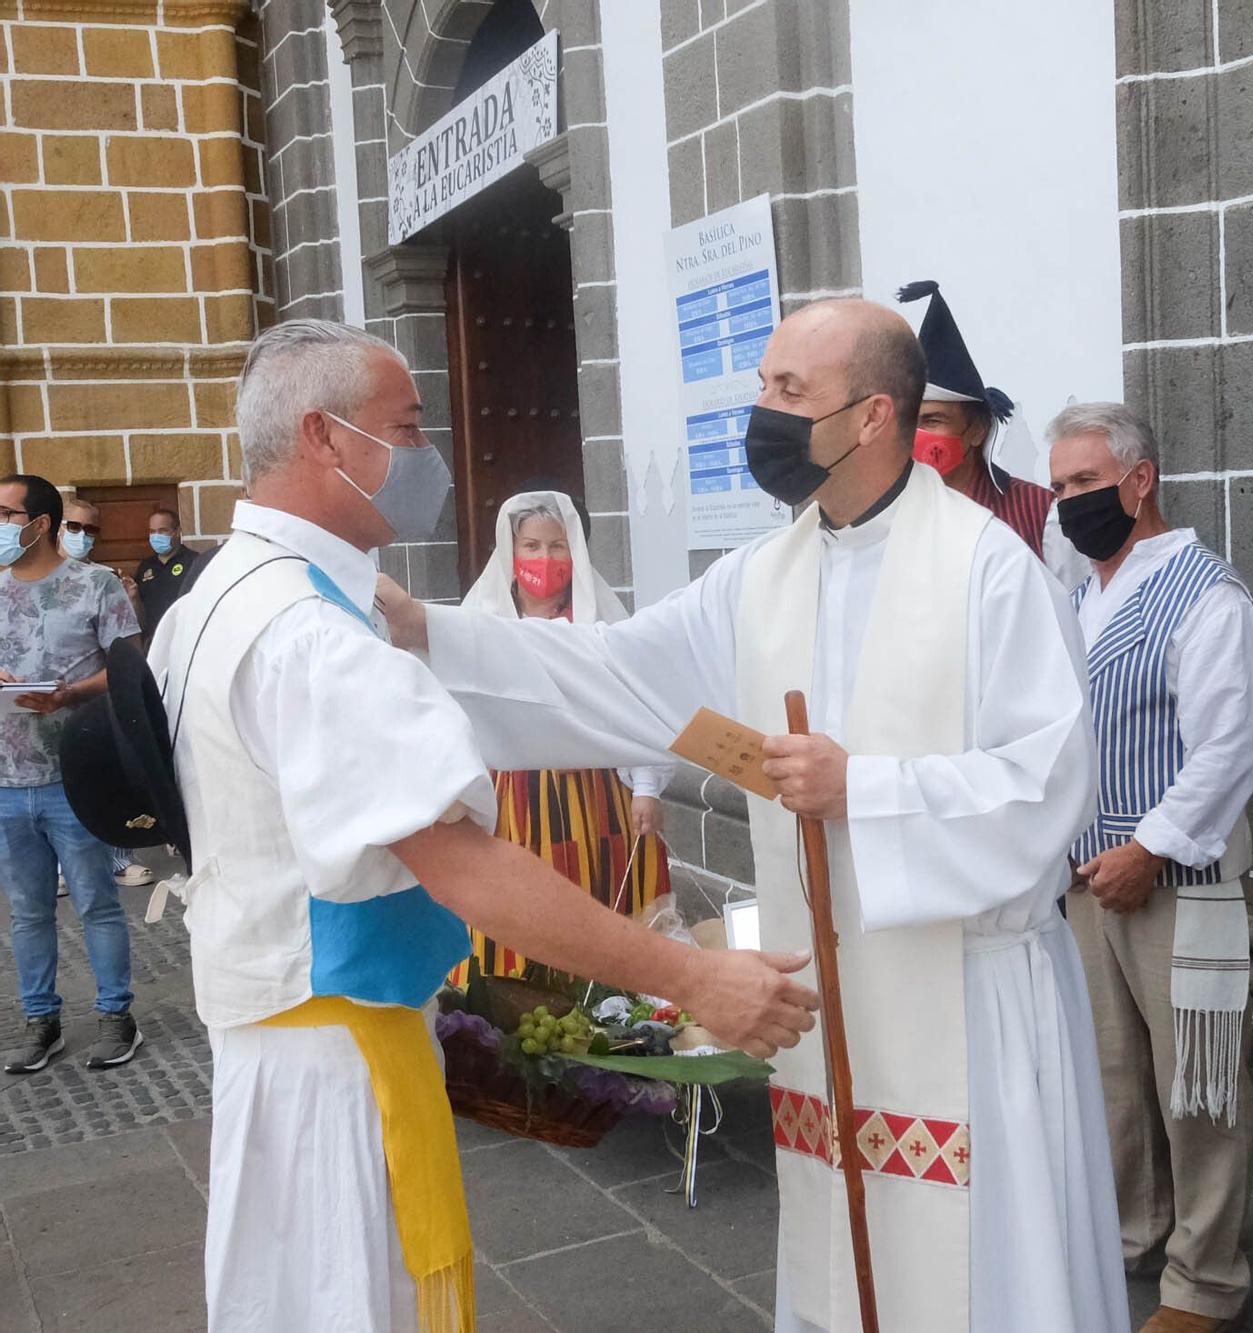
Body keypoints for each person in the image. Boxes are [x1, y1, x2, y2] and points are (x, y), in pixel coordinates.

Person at [378, 298, 1129, 1333]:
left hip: (968, 992)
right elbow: (613, 672)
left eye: (786, 390)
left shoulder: (988, 569)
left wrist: (860, 786)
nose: (761, 412)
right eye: (762, 386)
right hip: (831, 980)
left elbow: (1049, 783)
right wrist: (434, 635)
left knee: (979, 1274)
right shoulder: (762, 573)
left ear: (871, 416)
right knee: (843, 1256)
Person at [152, 319, 816, 1332]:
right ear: (326, 438)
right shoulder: (314, 638)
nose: (428, 456)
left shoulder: (215, 596)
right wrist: (692, 977)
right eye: (408, 427)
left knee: (279, 1298)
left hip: (271, 1017)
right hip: (341, 1046)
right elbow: (465, 868)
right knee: (359, 1297)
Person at [1051, 403, 1253, 1333]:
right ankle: (1134, 1233)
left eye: (1087, 483)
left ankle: (1207, 1281)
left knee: (1201, 1083)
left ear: (1141, 480)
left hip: (1178, 878)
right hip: (1087, 881)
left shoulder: (1206, 592)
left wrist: (1150, 847)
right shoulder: (1075, 594)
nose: (1070, 502)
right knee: (1111, 1075)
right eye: (1059, 487)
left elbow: (1227, 748)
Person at [453, 490, 671, 980]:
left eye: (557, 546)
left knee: (599, 891)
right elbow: (456, 709)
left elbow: (638, 704)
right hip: (513, 795)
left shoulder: (602, 621)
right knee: (520, 899)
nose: (544, 559)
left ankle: (611, 1007)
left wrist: (647, 787)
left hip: (597, 793)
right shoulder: (479, 619)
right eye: (531, 546)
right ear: (511, 552)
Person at [0, 475, 143, 1074]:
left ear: (40, 523)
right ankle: (42, 1023)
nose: (0, 524)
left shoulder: (95, 584)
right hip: (8, 779)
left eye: (6, 513)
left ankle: (117, 1016)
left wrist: (72, 694)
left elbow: (130, 669)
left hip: (77, 777)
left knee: (96, 903)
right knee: (27, 912)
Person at [897, 279, 1090, 588]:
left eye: (933, 420)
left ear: (977, 430)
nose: (918, 434)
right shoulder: (893, 516)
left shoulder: (1040, 514)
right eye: (911, 422)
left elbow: (1075, 614)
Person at [61, 497, 156, 890]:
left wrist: (133, 599)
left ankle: (120, 857)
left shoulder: (104, 578)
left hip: (99, 701)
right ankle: (64, 867)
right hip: (44, 712)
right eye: (75, 527)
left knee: (111, 779)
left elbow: (130, 643)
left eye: (91, 530)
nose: (83, 537)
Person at [134, 504, 197, 639]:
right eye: (152, 531)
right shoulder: (145, 566)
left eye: (162, 531)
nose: (156, 536)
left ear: (177, 531)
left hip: (184, 638)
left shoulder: (195, 562)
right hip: (152, 641)